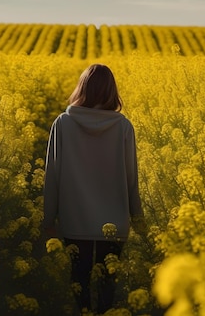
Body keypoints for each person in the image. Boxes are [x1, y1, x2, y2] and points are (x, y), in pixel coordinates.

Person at [42, 63, 147, 314]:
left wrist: (48, 221)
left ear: (82, 89)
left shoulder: (63, 124)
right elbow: (131, 179)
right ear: (112, 91)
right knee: (107, 291)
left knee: (79, 287)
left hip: (75, 223)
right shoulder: (123, 127)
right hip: (115, 227)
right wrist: (139, 221)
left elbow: (52, 176)